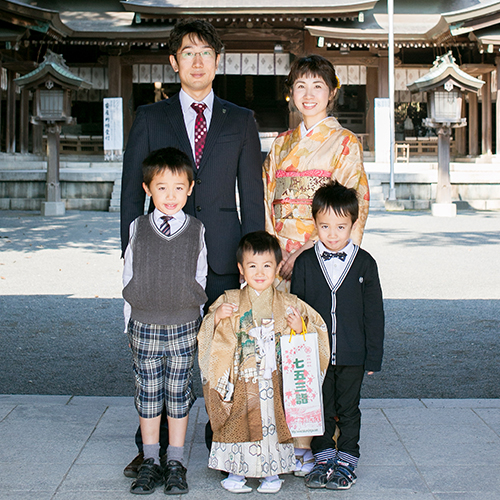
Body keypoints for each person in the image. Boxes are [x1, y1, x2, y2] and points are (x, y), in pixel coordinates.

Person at [120, 19, 265, 475]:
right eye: (188, 52)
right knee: (161, 354)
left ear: (218, 62)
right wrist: (130, 258)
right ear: (173, 61)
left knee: (223, 352)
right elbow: (130, 195)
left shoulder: (240, 120)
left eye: (206, 53)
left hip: (223, 253)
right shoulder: (150, 117)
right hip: (162, 261)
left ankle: (222, 442)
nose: (197, 61)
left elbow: (252, 196)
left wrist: (254, 260)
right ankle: (153, 449)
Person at [198, 231, 330, 494]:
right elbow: (207, 337)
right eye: (252, 266)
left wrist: (300, 326)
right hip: (241, 382)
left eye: (267, 265)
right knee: (238, 426)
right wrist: (215, 319)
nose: (260, 272)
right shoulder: (230, 300)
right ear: (241, 268)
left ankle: (272, 474)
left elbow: (318, 330)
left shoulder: (289, 303)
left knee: (274, 426)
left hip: (274, 382)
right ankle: (236, 473)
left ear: (278, 267)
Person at [122, 147, 208, 495]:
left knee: (177, 394)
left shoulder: (196, 229)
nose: (170, 196)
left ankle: (175, 461)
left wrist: (196, 319)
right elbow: (128, 273)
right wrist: (129, 321)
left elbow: (200, 276)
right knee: (148, 394)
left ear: (190, 188)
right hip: (144, 325)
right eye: (161, 187)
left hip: (184, 325)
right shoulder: (138, 228)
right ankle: (150, 460)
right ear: (147, 189)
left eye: (178, 187)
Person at [291, 180, 384, 490]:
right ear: (315, 223)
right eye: (325, 226)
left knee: (348, 408)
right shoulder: (304, 263)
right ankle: (323, 459)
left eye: (341, 226)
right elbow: (300, 309)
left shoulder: (365, 263)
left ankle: (346, 460)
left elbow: (374, 314)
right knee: (321, 407)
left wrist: (374, 355)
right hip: (316, 354)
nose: (332, 234)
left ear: (353, 224)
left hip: (353, 353)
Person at [263, 54, 370, 289]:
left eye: (317, 86)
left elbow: (353, 205)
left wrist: (305, 250)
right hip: (278, 256)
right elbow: (266, 198)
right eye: (301, 86)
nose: (308, 95)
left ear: (332, 92)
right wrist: (274, 247)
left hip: (321, 248)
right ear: (291, 92)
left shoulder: (345, 142)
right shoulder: (280, 144)